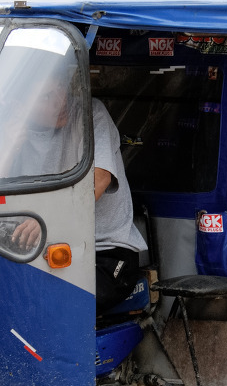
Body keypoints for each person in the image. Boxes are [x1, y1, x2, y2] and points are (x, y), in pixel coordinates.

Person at [10, 98, 147, 314]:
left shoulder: (87, 112)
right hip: (41, 254)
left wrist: (49, 220)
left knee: (47, 307)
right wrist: (8, 146)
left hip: (102, 254)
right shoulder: (12, 130)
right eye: (48, 93)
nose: (60, 99)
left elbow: (100, 178)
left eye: (62, 88)